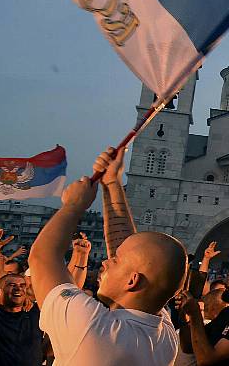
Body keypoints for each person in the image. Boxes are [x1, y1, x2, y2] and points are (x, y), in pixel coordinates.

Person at [30, 147, 188, 365]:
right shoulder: (163, 333)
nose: (106, 260)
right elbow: (137, 256)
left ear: (132, 281)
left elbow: (42, 258)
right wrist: (112, 183)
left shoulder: (93, 329)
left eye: (115, 260)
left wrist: (74, 205)